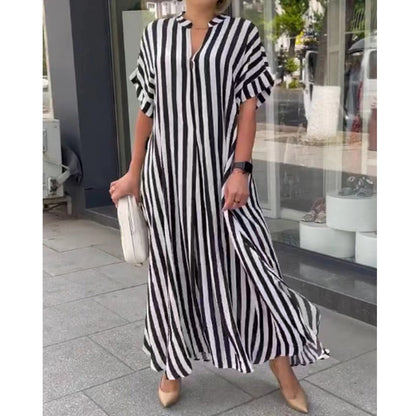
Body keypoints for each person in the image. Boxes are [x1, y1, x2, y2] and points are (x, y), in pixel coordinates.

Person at [109, 0, 330, 412]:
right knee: (172, 271)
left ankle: (282, 366)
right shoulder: (156, 35)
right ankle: (171, 365)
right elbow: (147, 109)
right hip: (167, 180)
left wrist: (241, 170)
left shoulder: (241, 34)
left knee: (251, 269)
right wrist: (134, 172)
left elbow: (249, 110)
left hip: (223, 179)